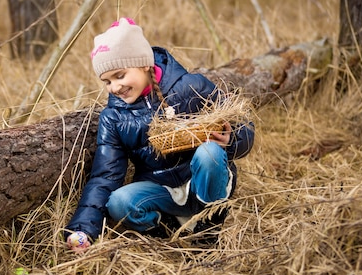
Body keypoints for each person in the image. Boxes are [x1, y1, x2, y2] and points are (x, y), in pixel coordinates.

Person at [65, 17, 254, 252]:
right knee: (119, 202)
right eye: (107, 81)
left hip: (202, 181)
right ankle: (169, 228)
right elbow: (105, 176)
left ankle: (206, 231)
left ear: (144, 64)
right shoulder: (113, 118)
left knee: (210, 153)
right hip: (160, 190)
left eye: (120, 75)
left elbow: (241, 124)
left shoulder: (190, 87)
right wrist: (83, 228)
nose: (114, 87)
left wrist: (232, 139)